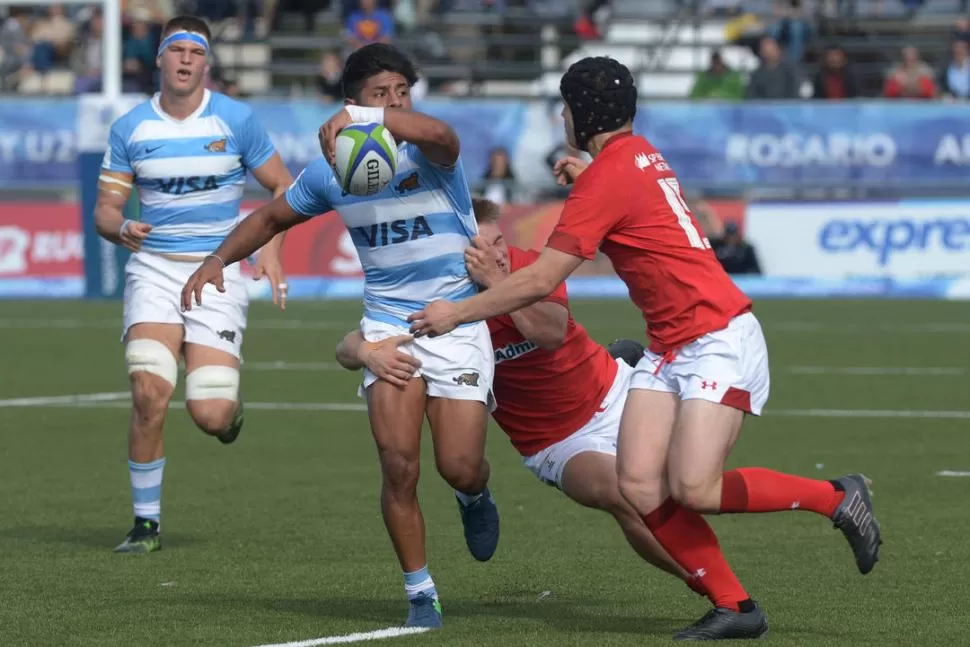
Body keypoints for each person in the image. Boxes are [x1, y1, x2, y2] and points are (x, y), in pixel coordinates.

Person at [407, 57, 882, 641]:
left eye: (565, 109)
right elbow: (628, 199)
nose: (561, 118)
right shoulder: (634, 156)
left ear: (582, 115)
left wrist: (454, 311)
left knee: (695, 488)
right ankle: (736, 607)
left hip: (716, 336)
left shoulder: (606, 179)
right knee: (635, 486)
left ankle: (835, 497)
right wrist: (589, 175)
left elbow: (537, 281)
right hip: (670, 344)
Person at [179, 43, 499, 630]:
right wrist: (217, 259)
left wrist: (372, 118)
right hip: (388, 327)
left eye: (402, 92)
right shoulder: (334, 173)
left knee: (459, 465)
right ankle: (420, 591)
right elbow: (273, 218)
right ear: (352, 101)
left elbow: (444, 136)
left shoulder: (429, 156)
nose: (395, 102)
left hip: (455, 319)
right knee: (399, 465)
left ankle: (474, 496)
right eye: (381, 94)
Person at [335, 197, 705, 596]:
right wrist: (364, 352)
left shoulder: (529, 267)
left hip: (613, 393)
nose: (497, 256)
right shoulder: (439, 300)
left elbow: (550, 334)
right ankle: (709, 587)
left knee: (689, 485)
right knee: (625, 496)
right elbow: (350, 344)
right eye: (482, 249)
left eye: (499, 243)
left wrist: (498, 285)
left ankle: (620, 359)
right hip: (556, 441)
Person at [94, 15, 292, 555]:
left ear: (206, 63)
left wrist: (270, 248)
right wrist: (122, 227)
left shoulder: (235, 120)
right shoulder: (131, 127)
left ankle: (229, 411)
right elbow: (105, 213)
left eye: (194, 52)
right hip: (155, 269)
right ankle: (145, 524)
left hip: (219, 270)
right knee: (148, 391)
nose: (185, 59)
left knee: (210, 414)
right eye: (175, 49)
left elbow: (282, 188)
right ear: (159, 58)